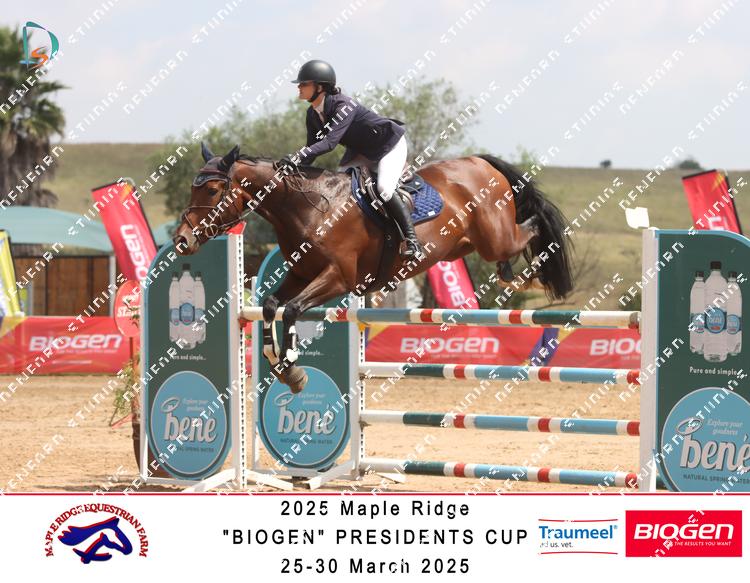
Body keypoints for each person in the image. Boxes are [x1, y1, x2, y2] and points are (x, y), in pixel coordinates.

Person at [277, 59, 423, 260]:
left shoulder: (343, 105)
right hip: (362, 152)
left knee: (383, 189)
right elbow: (312, 149)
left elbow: (329, 143)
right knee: (339, 190)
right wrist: (293, 166)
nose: (299, 87)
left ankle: (412, 241)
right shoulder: (312, 114)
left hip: (388, 145)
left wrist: (298, 156)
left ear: (319, 87)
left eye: (304, 83)